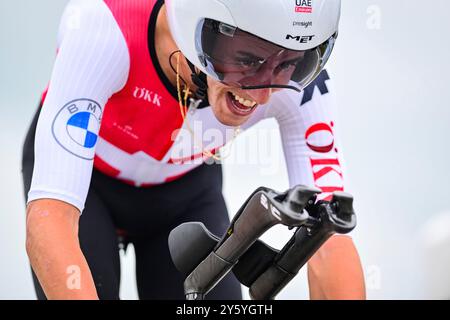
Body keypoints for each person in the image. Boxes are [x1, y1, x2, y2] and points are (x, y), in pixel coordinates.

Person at [22, 0, 366, 300]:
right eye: (247, 59)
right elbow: (51, 219)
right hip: (90, 184)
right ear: (195, 25)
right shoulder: (103, 27)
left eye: (293, 63)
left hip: (185, 192)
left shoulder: (300, 84)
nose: (263, 94)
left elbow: (327, 240)